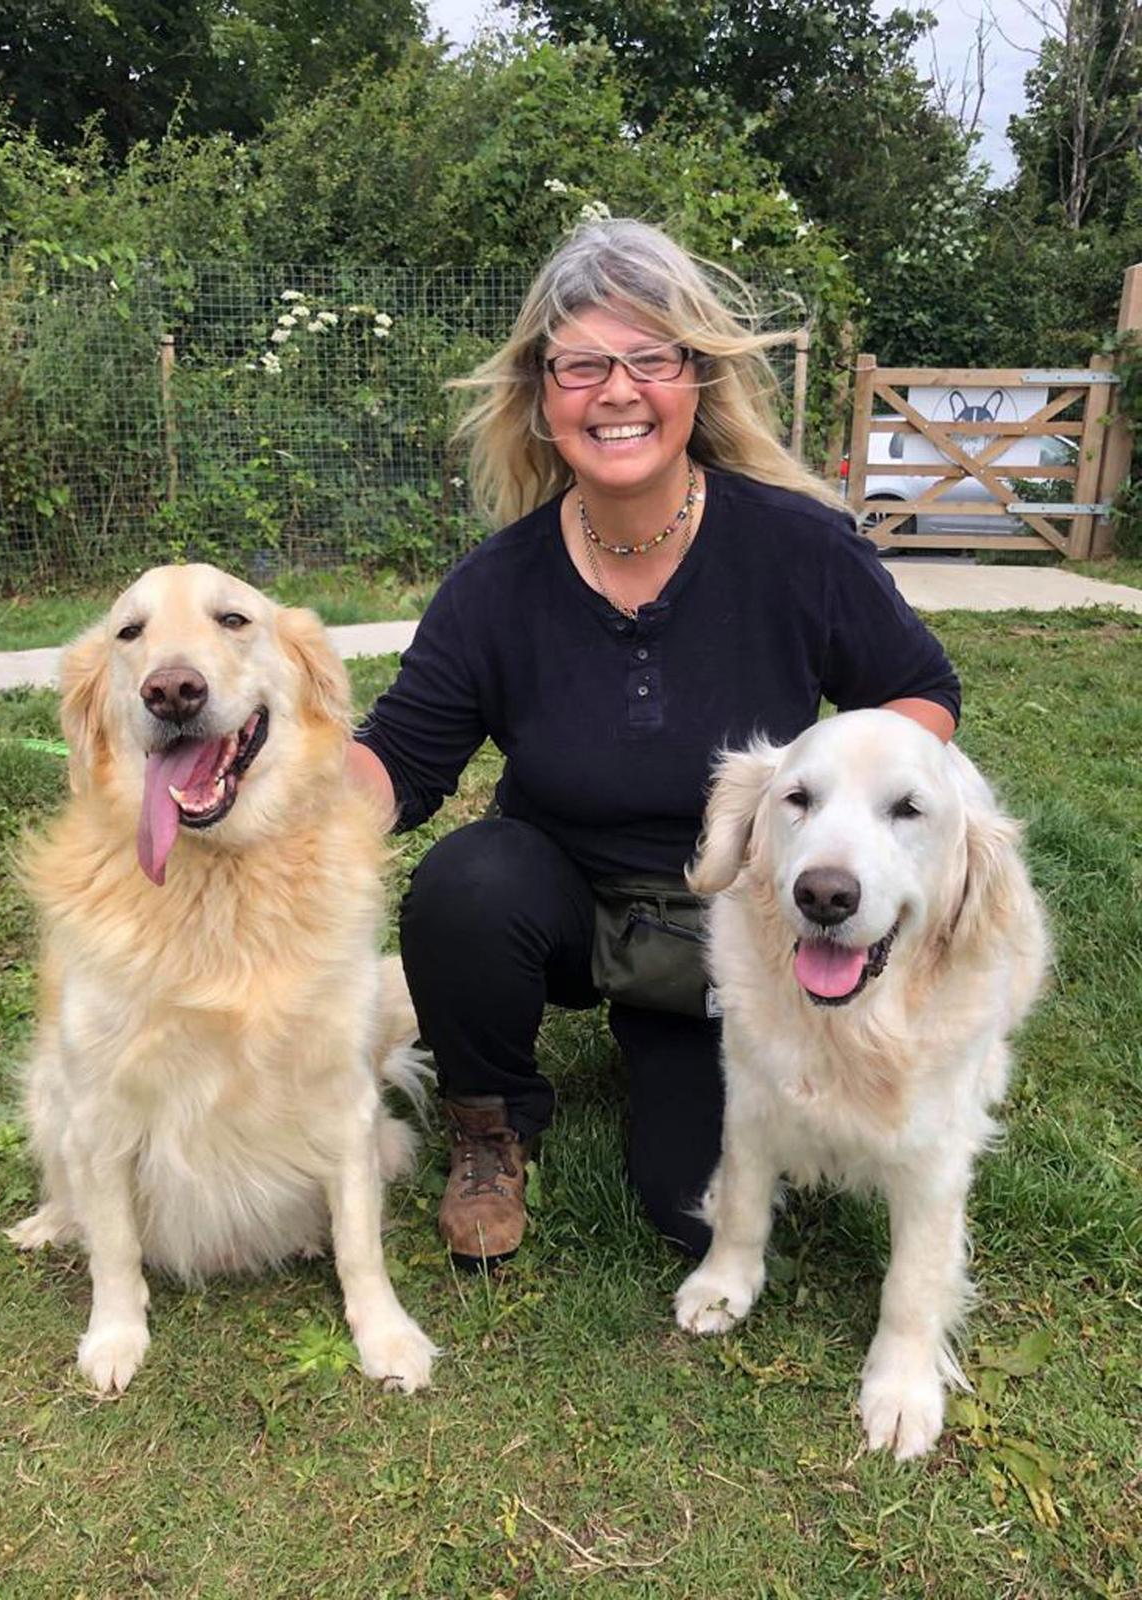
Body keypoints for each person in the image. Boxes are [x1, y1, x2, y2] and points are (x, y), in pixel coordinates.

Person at [349, 218, 959, 1270]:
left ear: (695, 382)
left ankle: (676, 1042)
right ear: (543, 397)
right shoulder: (495, 587)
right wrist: (261, 800)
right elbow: (399, 762)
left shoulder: (797, 548)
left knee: (693, 1209)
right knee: (467, 878)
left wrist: (834, 828)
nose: (616, 390)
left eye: (649, 358)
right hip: (565, 909)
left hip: (745, 928)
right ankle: (492, 1123)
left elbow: (920, 693)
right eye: (581, 363)